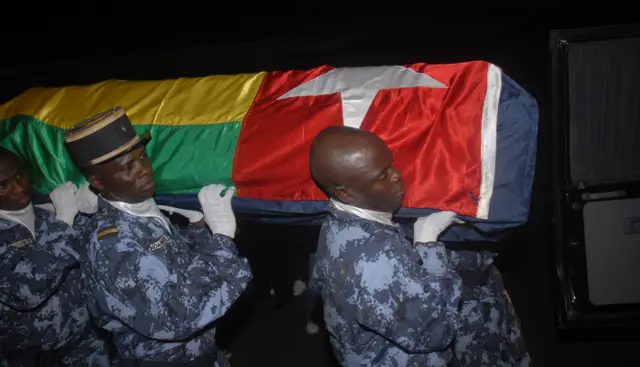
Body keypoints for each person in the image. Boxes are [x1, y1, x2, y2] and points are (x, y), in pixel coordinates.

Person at [308, 126, 530, 366]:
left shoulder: (338, 225)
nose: (396, 175)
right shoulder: (373, 259)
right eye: (382, 175)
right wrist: (427, 242)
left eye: (390, 164)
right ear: (346, 193)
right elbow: (437, 329)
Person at [62, 106, 252, 366]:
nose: (142, 169)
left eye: (142, 157)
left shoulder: (142, 209)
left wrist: (198, 228)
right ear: (98, 183)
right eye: (127, 166)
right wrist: (221, 238)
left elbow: (177, 264)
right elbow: (178, 316)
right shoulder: (111, 244)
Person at [0, 147, 110, 367]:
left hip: (88, 346)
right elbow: (25, 291)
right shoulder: (60, 217)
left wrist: (102, 205)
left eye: (20, 175)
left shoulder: (48, 214)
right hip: (30, 359)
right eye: (2, 185)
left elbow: (103, 248)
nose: (20, 187)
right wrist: (64, 221)